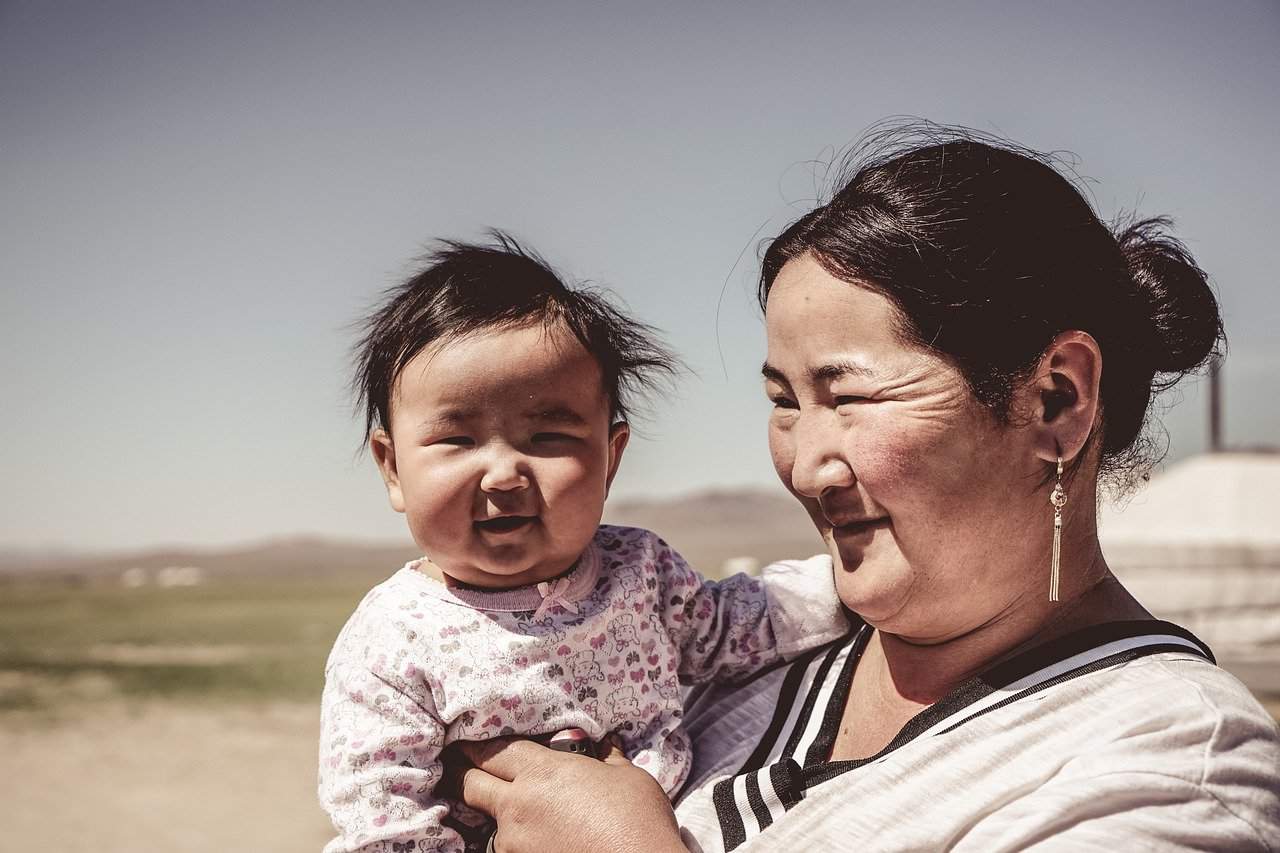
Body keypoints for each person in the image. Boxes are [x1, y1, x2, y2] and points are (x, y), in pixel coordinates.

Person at [450, 131, 1280, 851]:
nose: (806, 466)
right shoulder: (745, 656)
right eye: (784, 402)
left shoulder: (1172, 764)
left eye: (849, 396)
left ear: (1055, 399)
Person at [317, 234, 848, 852]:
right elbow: (383, 819)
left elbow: (736, 626)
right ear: (392, 468)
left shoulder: (639, 570)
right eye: (457, 440)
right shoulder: (391, 641)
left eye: (546, 437)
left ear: (609, 459)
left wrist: (848, 584)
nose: (503, 473)